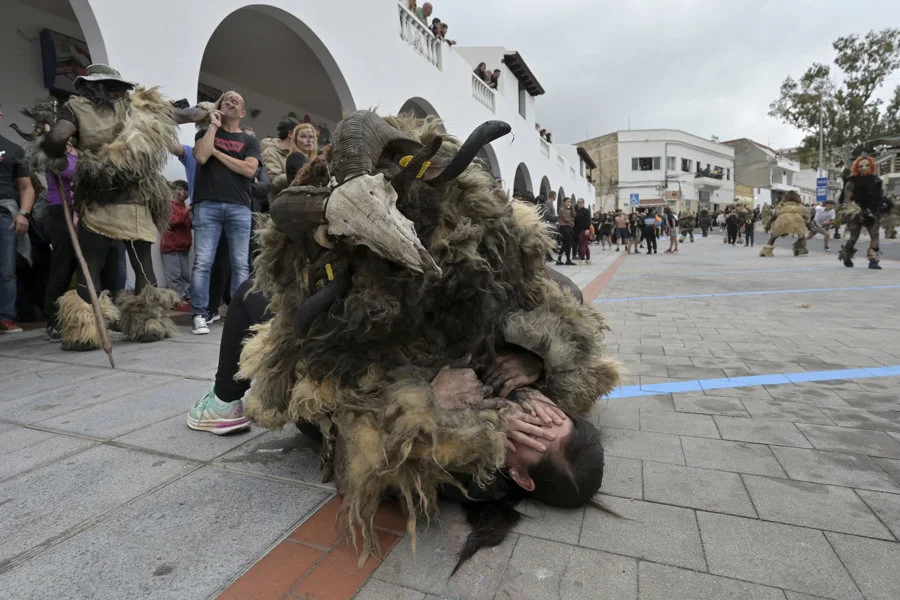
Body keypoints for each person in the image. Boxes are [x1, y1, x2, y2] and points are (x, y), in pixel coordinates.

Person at [235, 111, 621, 561]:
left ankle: (222, 394)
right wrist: (535, 356)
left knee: (255, 301)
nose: (533, 414)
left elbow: (352, 468)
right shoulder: (538, 383)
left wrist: (426, 402)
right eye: (553, 416)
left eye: (534, 436)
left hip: (349, 357)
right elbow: (562, 290)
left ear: (521, 478)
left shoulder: (464, 474)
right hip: (420, 307)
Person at [42, 64, 203, 349]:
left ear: (88, 86)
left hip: (98, 195)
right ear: (114, 86)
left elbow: (56, 137)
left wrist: (54, 155)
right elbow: (187, 115)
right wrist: (207, 112)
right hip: (136, 196)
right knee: (141, 263)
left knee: (90, 264)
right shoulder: (134, 108)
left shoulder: (75, 108)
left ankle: (84, 332)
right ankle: (147, 325)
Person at [190, 90, 261, 335]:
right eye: (226, 99)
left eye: (236, 101)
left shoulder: (250, 141)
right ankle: (199, 314)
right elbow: (200, 156)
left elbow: (249, 170)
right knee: (203, 262)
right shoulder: (205, 133)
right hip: (206, 204)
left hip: (239, 207)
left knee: (240, 263)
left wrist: (217, 154)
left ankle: (237, 315)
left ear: (242, 113)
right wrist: (213, 126)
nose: (230, 101)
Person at [0, 105, 36, 333]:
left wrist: (24, 213)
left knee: (6, 269)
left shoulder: (12, 148)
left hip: (5, 214)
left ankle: (5, 318)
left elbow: (27, 187)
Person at [838, 156, 892, 269]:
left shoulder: (876, 180)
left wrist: (883, 203)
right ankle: (846, 254)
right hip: (856, 211)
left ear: (871, 166)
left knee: (875, 235)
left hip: (872, 211)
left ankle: (873, 260)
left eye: (867, 165)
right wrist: (855, 211)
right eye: (861, 166)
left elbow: (878, 197)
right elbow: (847, 200)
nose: (864, 168)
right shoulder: (851, 181)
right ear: (856, 168)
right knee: (854, 237)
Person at [160, 181, 192, 311]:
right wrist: (186, 211)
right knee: (174, 276)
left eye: (185, 191)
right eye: (179, 189)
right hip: (170, 247)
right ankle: (176, 301)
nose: (183, 193)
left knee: (185, 275)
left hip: (183, 247)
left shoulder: (184, 208)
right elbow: (172, 221)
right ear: (172, 191)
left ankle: (184, 299)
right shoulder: (167, 206)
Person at [260, 116, 299, 201]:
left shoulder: (298, 153)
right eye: (299, 134)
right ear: (290, 134)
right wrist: (301, 175)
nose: (301, 138)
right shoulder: (270, 152)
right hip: (280, 204)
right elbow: (275, 181)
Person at [759, 191, 809, 257]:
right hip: (797, 221)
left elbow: (775, 215)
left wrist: (768, 224)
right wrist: (807, 223)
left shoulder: (781, 205)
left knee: (773, 236)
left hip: (782, 221)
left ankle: (766, 250)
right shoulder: (799, 205)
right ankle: (799, 247)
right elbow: (805, 215)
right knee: (801, 234)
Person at [556, 197, 576, 265]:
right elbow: (566, 219)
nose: (569, 203)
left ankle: (560, 259)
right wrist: (571, 222)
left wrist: (572, 208)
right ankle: (567, 260)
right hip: (564, 228)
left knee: (566, 244)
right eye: (567, 201)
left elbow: (574, 215)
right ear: (564, 202)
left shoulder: (569, 209)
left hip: (568, 227)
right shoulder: (561, 210)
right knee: (567, 243)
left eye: (570, 202)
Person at [573, 198, 592, 265]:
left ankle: (582, 260)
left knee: (582, 245)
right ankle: (588, 260)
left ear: (583, 203)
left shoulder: (586, 211)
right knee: (585, 245)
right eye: (578, 202)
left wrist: (587, 229)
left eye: (581, 202)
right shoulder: (576, 211)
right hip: (578, 231)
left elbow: (589, 220)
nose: (579, 203)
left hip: (584, 230)